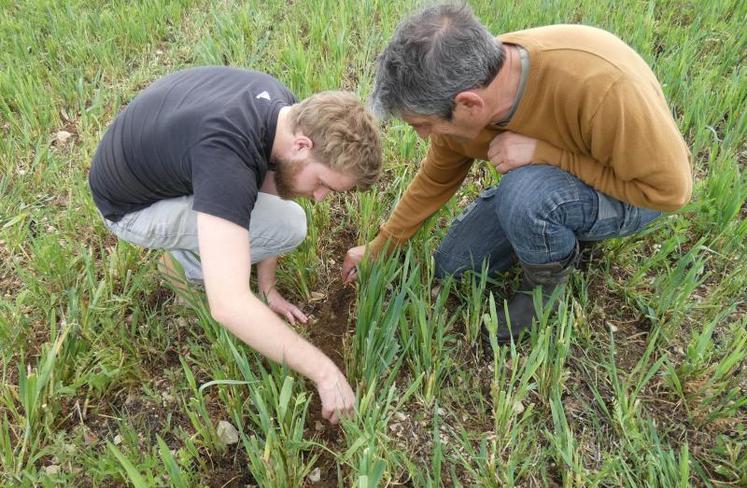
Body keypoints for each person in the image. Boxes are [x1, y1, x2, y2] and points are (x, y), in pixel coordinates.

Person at [342, 3, 691, 343]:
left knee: (524, 196)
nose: (422, 135)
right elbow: (436, 178)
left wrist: (545, 154)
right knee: (454, 265)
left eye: (423, 124)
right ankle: (554, 223)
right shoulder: (468, 88)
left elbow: (670, 193)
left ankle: (546, 279)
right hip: (548, 184)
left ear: (469, 104)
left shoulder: (601, 85)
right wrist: (380, 246)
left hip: (632, 191)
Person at [89, 66, 382, 423]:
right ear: (303, 145)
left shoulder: (284, 111)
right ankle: (180, 267)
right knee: (278, 232)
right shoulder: (227, 158)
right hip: (130, 208)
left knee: (286, 218)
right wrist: (325, 372)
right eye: (323, 183)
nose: (320, 197)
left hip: (162, 158)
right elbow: (228, 305)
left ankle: (204, 248)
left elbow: (271, 191)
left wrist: (268, 287)